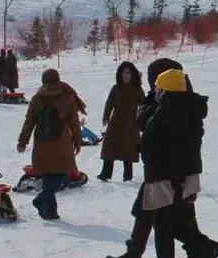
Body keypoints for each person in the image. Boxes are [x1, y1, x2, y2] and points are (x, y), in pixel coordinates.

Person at [104, 58, 218, 258]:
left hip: (171, 169)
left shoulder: (173, 98)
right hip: (168, 167)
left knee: (172, 218)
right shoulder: (168, 95)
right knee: (148, 209)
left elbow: (150, 124)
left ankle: (200, 249)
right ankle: (135, 253)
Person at [136, 66, 218, 258]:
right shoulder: (189, 109)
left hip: (166, 174)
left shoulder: (167, 111)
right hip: (186, 173)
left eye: (158, 89)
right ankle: (203, 251)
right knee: (180, 219)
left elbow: (154, 140)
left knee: (162, 221)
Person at [16, 69, 83, 220]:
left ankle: (50, 212)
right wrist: (78, 141)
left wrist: (23, 141)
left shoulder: (37, 98)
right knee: (61, 173)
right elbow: (74, 122)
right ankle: (40, 200)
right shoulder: (68, 97)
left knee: (48, 175)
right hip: (61, 141)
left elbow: (29, 122)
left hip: (42, 141)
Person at [99, 61, 144, 181]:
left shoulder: (137, 89)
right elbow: (109, 103)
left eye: (128, 73)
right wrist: (106, 117)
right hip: (116, 123)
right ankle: (105, 173)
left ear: (133, 75)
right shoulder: (115, 88)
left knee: (128, 149)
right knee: (110, 147)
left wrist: (143, 120)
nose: (125, 75)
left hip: (131, 124)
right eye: (123, 73)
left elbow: (143, 105)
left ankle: (127, 175)